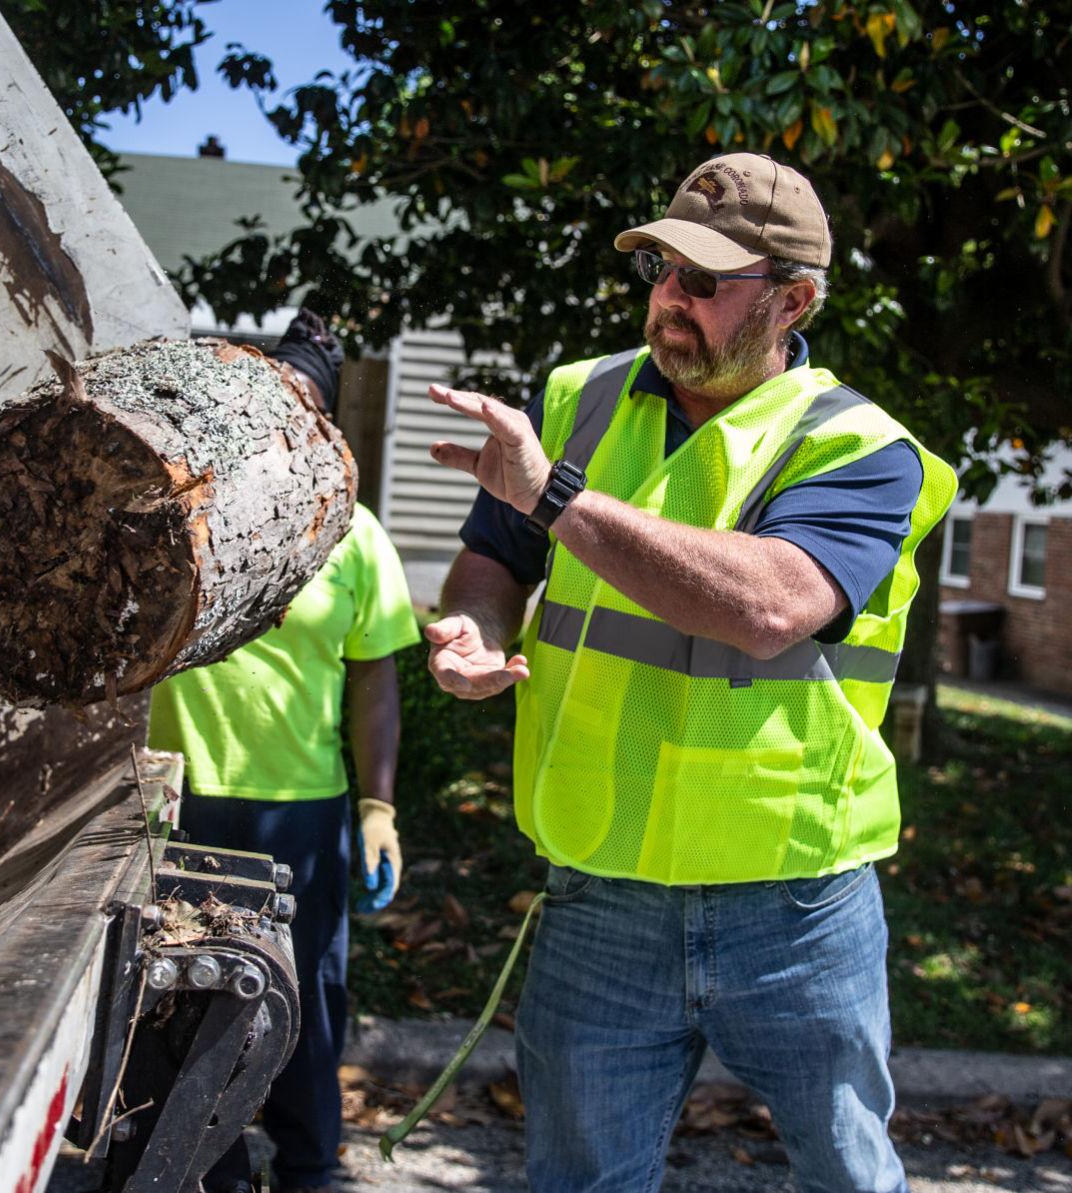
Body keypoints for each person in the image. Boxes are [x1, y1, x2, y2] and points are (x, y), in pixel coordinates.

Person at [424, 153, 954, 1193]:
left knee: (849, 1176)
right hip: (598, 892)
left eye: (705, 282)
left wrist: (555, 497)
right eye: (660, 268)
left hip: (793, 904)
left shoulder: (858, 447)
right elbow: (492, 556)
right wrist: (472, 626)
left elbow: (766, 606)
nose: (670, 298)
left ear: (793, 299)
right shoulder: (578, 399)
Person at [148, 310, 421, 1193]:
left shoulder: (355, 535)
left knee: (301, 999)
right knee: (177, 1000)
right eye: (274, 405)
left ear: (328, 430)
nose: (286, 425)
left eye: (306, 411)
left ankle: (309, 1166)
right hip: (173, 800)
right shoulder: (180, 510)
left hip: (298, 813)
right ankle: (203, 1166)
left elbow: (375, 676)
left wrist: (376, 807)